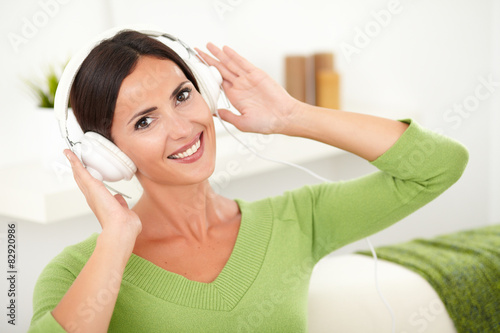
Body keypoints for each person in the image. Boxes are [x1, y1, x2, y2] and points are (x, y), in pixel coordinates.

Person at [28, 30, 468, 333]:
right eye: (145, 121)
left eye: (183, 95)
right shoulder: (76, 272)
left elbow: (439, 166)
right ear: (109, 155)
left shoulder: (297, 220)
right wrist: (117, 240)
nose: (183, 128)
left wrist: (291, 116)